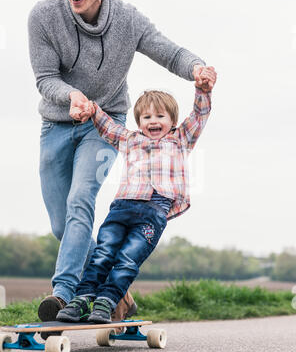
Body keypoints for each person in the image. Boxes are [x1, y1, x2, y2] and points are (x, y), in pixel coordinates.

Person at [28, 0, 214, 322]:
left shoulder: (127, 20)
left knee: (81, 200)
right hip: (57, 123)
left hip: (105, 123)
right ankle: (118, 295)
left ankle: (62, 294)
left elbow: (168, 50)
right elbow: (46, 78)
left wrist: (197, 68)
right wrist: (73, 97)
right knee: (62, 223)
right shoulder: (44, 17)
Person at [56, 66, 216, 323]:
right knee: (103, 253)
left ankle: (106, 302)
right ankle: (82, 299)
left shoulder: (180, 139)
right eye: (146, 117)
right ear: (139, 121)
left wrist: (203, 90)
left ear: (172, 121)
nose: (153, 122)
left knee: (127, 260)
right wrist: (92, 109)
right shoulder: (130, 139)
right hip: (121, 208)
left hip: (153, 211)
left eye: (160, 116)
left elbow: (199, 115)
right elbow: (107, 126)